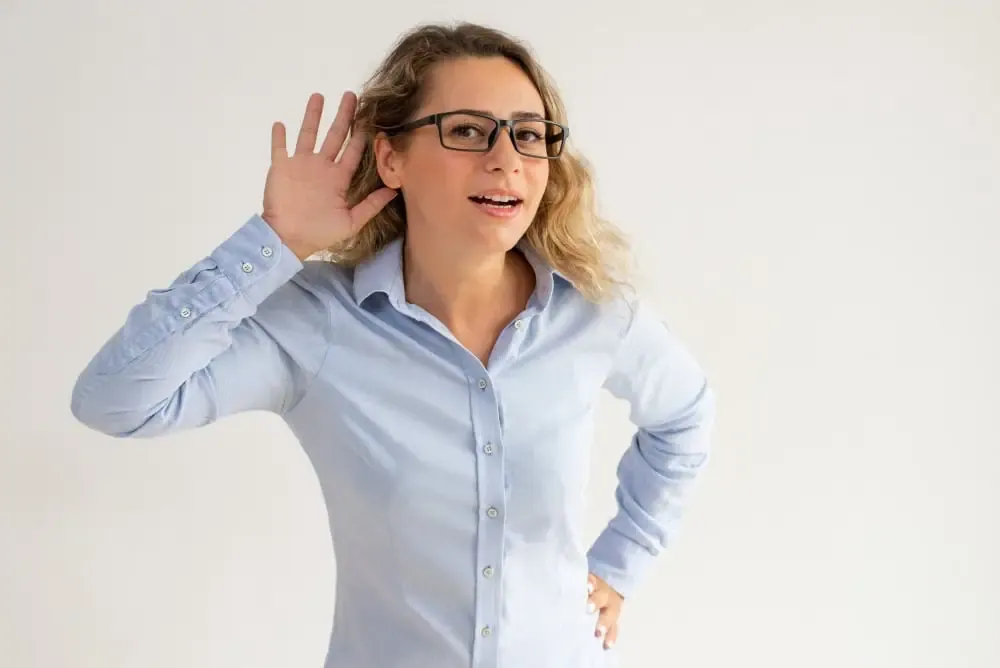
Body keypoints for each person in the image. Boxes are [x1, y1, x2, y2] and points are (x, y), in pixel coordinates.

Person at [70, 21, 715, 668]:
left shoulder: (595, 314)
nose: (506, 158)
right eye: (467, 130)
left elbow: (685, 416)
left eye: (527, 133)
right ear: (391, 159)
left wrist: (622, 563)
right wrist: (276, 243)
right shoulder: (320, 323)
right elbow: (116, 402)